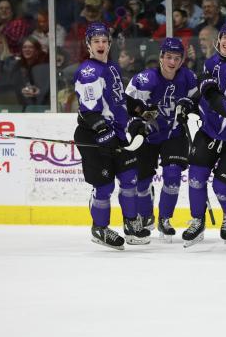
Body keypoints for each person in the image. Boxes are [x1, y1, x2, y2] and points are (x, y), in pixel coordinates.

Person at [179, 21, 226, 247]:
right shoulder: (211, 62)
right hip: (211, 128)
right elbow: (204, 93)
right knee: (195, 176)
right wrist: (189, 102)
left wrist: (210, 89)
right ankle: (197, 221)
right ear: (219, 38)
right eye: (225, 37)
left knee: (221, 187)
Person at [74, 22, 150, 250]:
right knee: (104, 187)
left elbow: (118, 99)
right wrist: (101, 130)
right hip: (93, 134)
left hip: (114, 132)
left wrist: (138, 109)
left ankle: (130, 223)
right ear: (88, 44)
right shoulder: (88, 72)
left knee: (129, 178)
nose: (100, 45)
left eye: (104, 41)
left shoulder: (113, 68)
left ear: (109, 44)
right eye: (96, 41)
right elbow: (88, 110)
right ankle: (100, 228)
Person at [124, 37, 198, 240]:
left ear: (182, 60)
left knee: (173, 175)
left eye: (177, 58)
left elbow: (198, 101)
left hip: (174, 133)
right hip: (148, 136)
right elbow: (126, 106)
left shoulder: (188, 78)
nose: (172, 62)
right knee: (141, 181)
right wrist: (136, 125)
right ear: (160, 57)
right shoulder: (145, 79)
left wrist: (190, 107)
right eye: (168, 57)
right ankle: (146, 215)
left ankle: (165, 219)